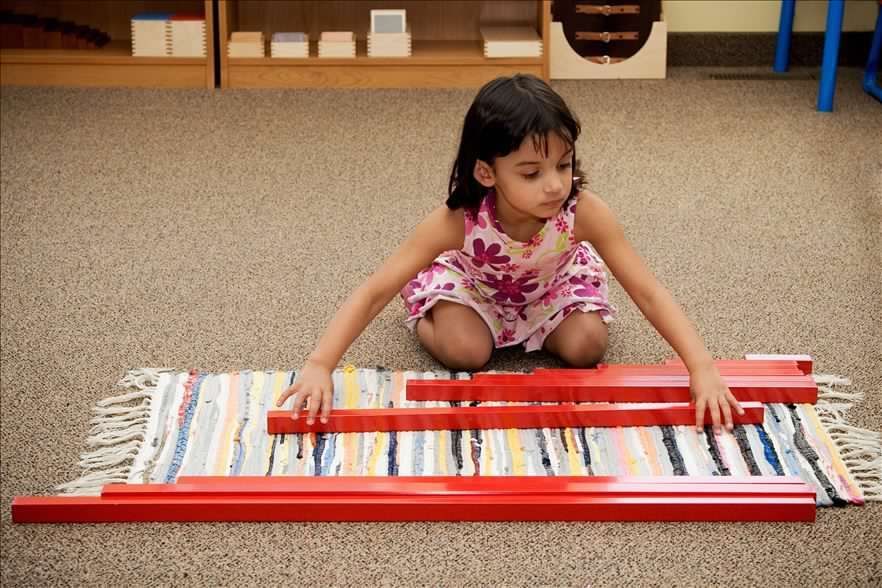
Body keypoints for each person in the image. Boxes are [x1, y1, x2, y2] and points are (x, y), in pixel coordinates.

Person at [277, 74, 744, 433]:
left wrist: (701, 367)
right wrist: (320, 366)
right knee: (466, 353)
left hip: (550, 288)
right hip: (475, 288)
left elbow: (648, 291)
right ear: (486, 172)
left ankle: (530, 328)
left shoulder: (585, 212)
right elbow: (374, 290)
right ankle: (427, 312)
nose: (555, 184)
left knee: (587, 346)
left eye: (564, 165)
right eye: (531, 172)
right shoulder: (457, 219)